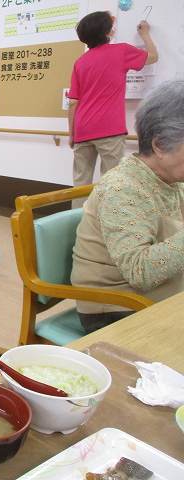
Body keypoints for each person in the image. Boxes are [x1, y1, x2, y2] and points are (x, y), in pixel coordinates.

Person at [71, 80, 184, 334]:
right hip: (115, 307)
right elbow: (140, 271)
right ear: (159, 145)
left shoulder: (172, 179)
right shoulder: (122, 188)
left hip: (158, 294)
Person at [68, 11, 158, 192]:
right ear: (107, 32)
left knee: (80, 184)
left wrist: (72, 134)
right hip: (109, 129)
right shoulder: (121, 51)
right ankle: (107, 212)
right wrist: (145, 34)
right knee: (112, 184)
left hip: (82, 129)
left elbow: (73, 102)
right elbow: (153, 56)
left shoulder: (80, 62)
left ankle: (80, 212)